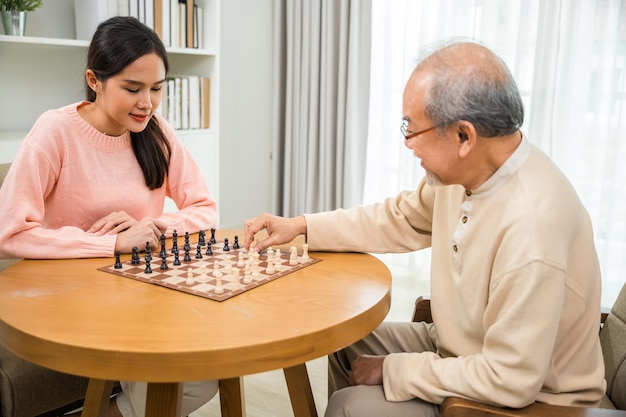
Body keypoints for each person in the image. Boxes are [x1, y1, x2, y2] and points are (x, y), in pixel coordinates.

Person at [243, 39, 605, 416]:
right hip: (464, 350)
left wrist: (395, 369)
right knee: (346, 345)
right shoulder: (469, 174)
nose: (406, 143)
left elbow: (507, 379)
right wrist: (301, 226)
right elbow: (398, 217)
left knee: (349, 405)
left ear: (464, 136)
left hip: (534, 402)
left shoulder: (533, 229)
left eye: (411, 129)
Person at [0, 16, 219, 417]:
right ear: (95, 80)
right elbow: (8, 233)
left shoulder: (157, 131)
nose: (147, 104)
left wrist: (150, 228)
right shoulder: (55, 131)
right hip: (69, 296)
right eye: (132, 89)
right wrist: (111, 242)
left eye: (157, 89)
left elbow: (205, 210)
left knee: (204, 374)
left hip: (139, 293)